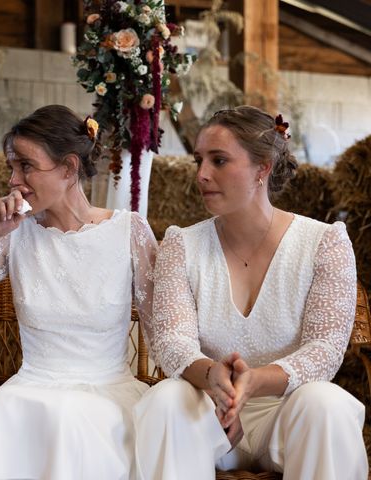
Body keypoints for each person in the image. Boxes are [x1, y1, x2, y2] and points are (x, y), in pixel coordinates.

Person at [0, 104, 158, 480]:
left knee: (67, 418)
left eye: (26, 166)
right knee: (0, 406)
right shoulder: (13, 234)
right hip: (30, 390)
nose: (14, 180)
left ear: (69, 168)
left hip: (107, 396)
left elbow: (165, 335)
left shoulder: (130, 231)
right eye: (11, 167)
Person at [134, 105, 367, 479]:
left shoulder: (324, 243)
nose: (202, 175)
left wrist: (255, 381)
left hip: (288, 415)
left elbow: (325, 349)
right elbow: (172, 340)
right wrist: (213, 378)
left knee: (328, 403)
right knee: (165, 398)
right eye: (199, 161)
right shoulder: (181, 244)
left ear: (263, 168)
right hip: (208, 412)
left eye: (219, 160)